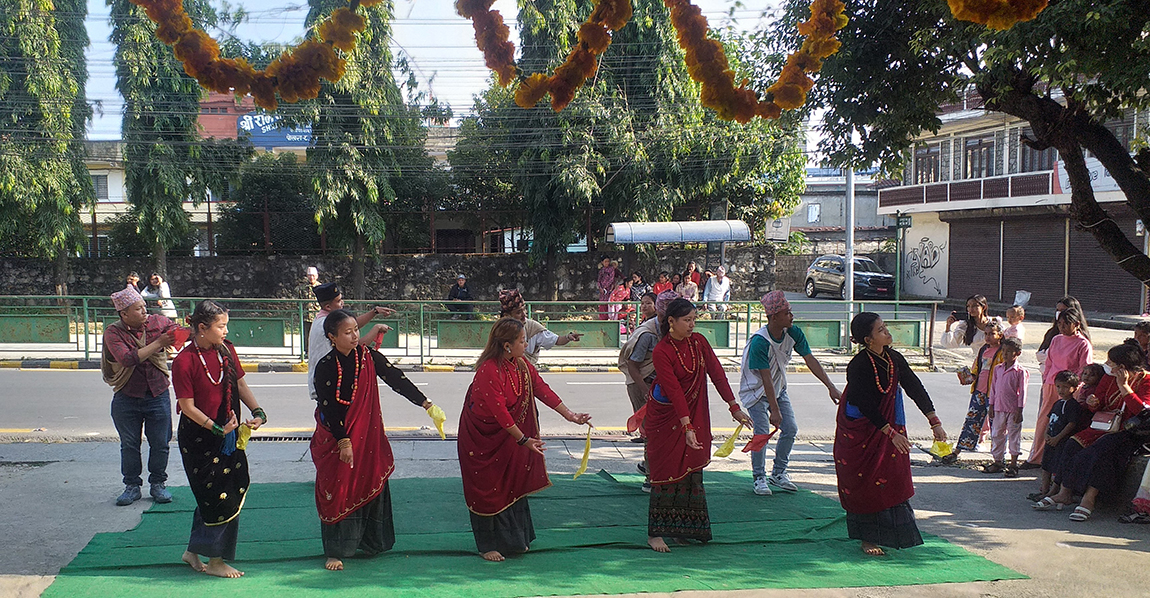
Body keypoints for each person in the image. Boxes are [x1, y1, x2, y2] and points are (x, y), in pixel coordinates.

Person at [310, 309, 441, 571]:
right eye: (347, 333)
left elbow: (396, 379)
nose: (354, 336)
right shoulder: (325, 366)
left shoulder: (367, 357)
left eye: (355, 331)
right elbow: (329, 408)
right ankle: (336, 551)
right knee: (338, 488)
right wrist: (343, 441)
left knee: (370, 479)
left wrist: (425, 403)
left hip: (367, 435)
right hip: (337, 437)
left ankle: (370, 542)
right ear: (332, 337)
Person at [457, 317, 592, 561]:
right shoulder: (489, 370)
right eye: (522, 340)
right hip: (482, 438)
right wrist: (524, 440)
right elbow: (500, 413)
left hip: (510, 436)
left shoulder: (521, 364)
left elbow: (542, 389)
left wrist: (571, 416)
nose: (526, 344)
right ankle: (487, 545)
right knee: (487, 487)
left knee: (511, 481)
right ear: (507, 345)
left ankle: (514, 539)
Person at [645, 297, 754, 553]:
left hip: (694, 413)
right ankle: (655, 534)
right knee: (666, 471)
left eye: (694, 319)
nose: (692, 324)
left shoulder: (699, 343)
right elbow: (673, 390)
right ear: (671, 321)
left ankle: (683, 530)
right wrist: (687, 427)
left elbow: (717, 373)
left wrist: (734, 407)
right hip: (667, 416)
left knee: (691, 468)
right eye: (687, 320)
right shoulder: (662, 351)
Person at [835, 312, 948, 556]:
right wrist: (889, 433)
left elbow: (914, 386)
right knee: (865, 481)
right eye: (881, 330)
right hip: (862, 430)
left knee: (893, 476)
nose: (888, 333)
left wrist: (934, 420)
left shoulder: (894, 358)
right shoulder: (859, 366)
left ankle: (896, 534)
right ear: (868, 340)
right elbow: (863, 402)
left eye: (886, 328)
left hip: (888, 428)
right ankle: (867, 538)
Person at [172, 300, 267, 578]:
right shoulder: (184, 361)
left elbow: (239, 384)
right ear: (202, 328)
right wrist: (216, 429)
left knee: (229, 488)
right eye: (221, 326)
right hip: (200, 438)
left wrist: (258, 411)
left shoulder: (227, 351)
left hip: (229, 433)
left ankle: (193, 551)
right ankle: (215, 561)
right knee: (214, 496)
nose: (226, 331)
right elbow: (187, 407)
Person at [738, 291, 841, 496]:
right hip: (756, 391)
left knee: (791, 428)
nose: (791, 316)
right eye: (787, 313)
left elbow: (810, 360)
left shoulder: (793, 333)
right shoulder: (760, 341)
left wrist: (830, 386)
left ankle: (778, 473)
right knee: (762, 433)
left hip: (778, 388)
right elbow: (765, 378)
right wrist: (774, 411)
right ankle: (759, 477)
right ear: (774, 317)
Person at [1036, 342, 1150, 521]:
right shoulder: (1107, 377)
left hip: (1130, 431)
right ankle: (1064, 491)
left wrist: (1125, 387)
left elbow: (1142, 412)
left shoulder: (1146, 380)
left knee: (1101, 451)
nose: (1107, 365)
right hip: (1103, 426)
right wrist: (1093, 402)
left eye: (1111, 362)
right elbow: (1101, 403)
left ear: (1122, 367)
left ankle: (1089, 498)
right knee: (1073, 443)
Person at [101, 286, 178, 506]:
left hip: (158, 393)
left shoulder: (158, 322)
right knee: (130, 444)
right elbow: (127, 359)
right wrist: (159, 344)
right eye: (138, 309)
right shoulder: (113, 333)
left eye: (144, 307)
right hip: (127, 395)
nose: (144, 311)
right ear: (124, 314)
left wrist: (185, 330)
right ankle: (132, 486)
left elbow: (178, 332)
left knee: (161, 443)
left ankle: (158, 484)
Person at [1024, 309, 1092, 468]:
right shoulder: (1055, 339)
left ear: (1076, 324)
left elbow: (1084, 369)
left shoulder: (1083, 343)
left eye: (1066, 324)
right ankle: (1036, 457)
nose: (1062, 327)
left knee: (1066, 421)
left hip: (1070, 387)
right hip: (1051, 384)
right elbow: (1049, 362)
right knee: (1045, 419)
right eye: (1060, 324)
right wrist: (1047, 378)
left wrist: (1074, 386)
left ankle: (1060, 460)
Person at [307, 282, 394, 401]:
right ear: (328, 307)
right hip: (330, 382)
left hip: (326, 381)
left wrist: (375, 312)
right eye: (338, 301)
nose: (342, 303)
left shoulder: (321, 320)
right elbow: (356, 346)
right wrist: (376, 329)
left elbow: (352, 323)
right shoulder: (325, 325)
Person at [618, 291, 667, 483]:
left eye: (649, 303)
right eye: (643, 303)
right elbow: (633, 364)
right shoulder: (647, 334)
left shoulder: (666, 330)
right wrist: (645, 391)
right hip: (643, 383)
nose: (645, 306)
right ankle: (650, 477)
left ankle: (649, 466)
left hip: (657, 384)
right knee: (650, 428)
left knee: (659, 429)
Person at [942, 320, 1005, 464]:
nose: (988, 337)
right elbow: (977, 369)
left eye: (991, 334)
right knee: (971, 421)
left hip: (994, 394)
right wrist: (970, 377)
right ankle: (957, 451)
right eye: (986, 334)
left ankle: (999, 458)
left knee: (996, 425)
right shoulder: (983, 350)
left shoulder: (1002, 352)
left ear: (1000, 335)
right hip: (979, 392)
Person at [1030, 369, 1087, 502]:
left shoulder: (1073, 405)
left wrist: (1058, 437)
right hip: (1051, 439)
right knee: (1046, 465)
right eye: (1059, 387)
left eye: (1066, 387)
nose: (1061, 390)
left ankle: (1053, 491)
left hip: (1061, 441)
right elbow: (1050, 419)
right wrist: (1046, 434)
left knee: (1059, 466)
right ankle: (1044, 490)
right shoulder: (1057, 403)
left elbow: (1071, 424)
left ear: (1074, 388)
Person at [498, 289, 581, 365]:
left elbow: (556, 340)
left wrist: (568, 337)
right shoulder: (499, 331)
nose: (524, 315)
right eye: (518, 312)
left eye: (524, 310)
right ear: (507, 316)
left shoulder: (532, 328)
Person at [984, 337, 1028, 477]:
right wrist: (991, 405)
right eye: (1003, 351)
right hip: (998, 408)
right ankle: (998, 461)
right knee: (997, 434)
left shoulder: (1020, 371)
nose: (1005, 354)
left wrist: (1020, 410)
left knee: (1014, 436)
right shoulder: (998, 369)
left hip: (1013, 409)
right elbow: (993, 388)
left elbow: (1022, 392)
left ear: (1018, 353)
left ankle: (1013, 463)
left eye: (1009, 352)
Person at [1037, 296, 1091, 374]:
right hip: (1050, 379)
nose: (1059, 313)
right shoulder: (1053, 335)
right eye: (1058, 310)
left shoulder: (1082, 341)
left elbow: (1083, 366)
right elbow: (1043, 355)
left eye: (1063, 310)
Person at [300, 266, 322, 353]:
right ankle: (306, 352)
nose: (311, 277)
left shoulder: (321, 287)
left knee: (318, 335)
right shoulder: (303, 288)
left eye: (313, 275)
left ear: (316, 276)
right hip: (306, 315)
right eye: (309, 275)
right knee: (306, 335)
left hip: (318, 315)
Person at [597, 256, 617, 321]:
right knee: (602, 303)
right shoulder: (601, 270)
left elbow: (611, 279)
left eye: (608, 261)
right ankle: (602, 318)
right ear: (602, 262)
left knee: (608, 303)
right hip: (602, 290)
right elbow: (599, 280)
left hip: (609, 289)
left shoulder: (611, 269)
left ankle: (609, 317)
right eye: (605, 261)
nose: (607, 263)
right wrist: (600, 287)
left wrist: (605, 287)